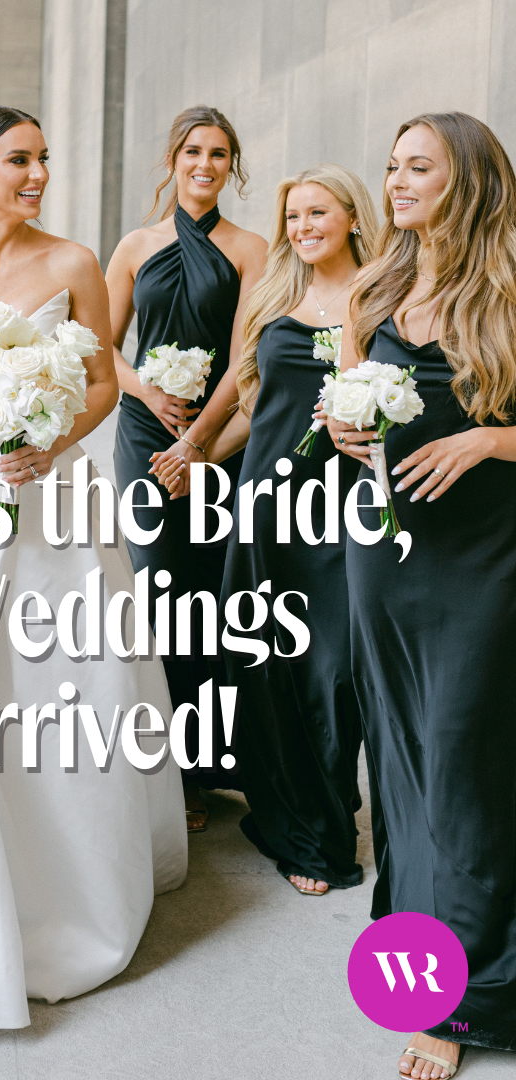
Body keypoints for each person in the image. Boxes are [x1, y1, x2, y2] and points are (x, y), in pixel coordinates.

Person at [0, 105, 188, 1037]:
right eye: (20, 159)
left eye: (45, 158)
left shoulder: (74, 264)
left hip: (48, 496)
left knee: (58, 686)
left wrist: (52, 436)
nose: (39, 172)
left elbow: (100, 382)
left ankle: (68, 894)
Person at [330, 112, 516, 1079]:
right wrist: (347, 427)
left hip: (486, 557)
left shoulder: (510, 293)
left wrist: (490, 438)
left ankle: (468, 1001)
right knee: (400, 756)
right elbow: (352, 411)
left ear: (471, 183)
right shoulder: (375, 288)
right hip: (387, 556)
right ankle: (424, 962)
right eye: (392, 164)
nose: (395, 183)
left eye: (419, 168)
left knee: (463, 754)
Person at [163, 166, 377, 895]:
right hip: (266, 507)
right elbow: (254, 404)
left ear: (352, 216)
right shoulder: (277, 296)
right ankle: (287, 816)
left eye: (318, 212)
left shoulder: (380, 296)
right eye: (293, 216)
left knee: (332, 670)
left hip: (341, 508)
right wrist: (196, 455)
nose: (303, 227)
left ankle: (325, 828)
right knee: (264, 666)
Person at [107, 105, 267, 829]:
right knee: (160, 592)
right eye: (194, 150)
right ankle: (165, 771)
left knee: (209, 595)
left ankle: (207, 767)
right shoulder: (135, 245)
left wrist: (197, 439)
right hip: (144, 432)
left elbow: (246, 357)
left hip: (214, 442)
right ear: (172, 158)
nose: (206, 164)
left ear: (233, 166)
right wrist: (150, 392)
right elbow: (100, 348)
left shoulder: (251, 248)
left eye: (220, 154)